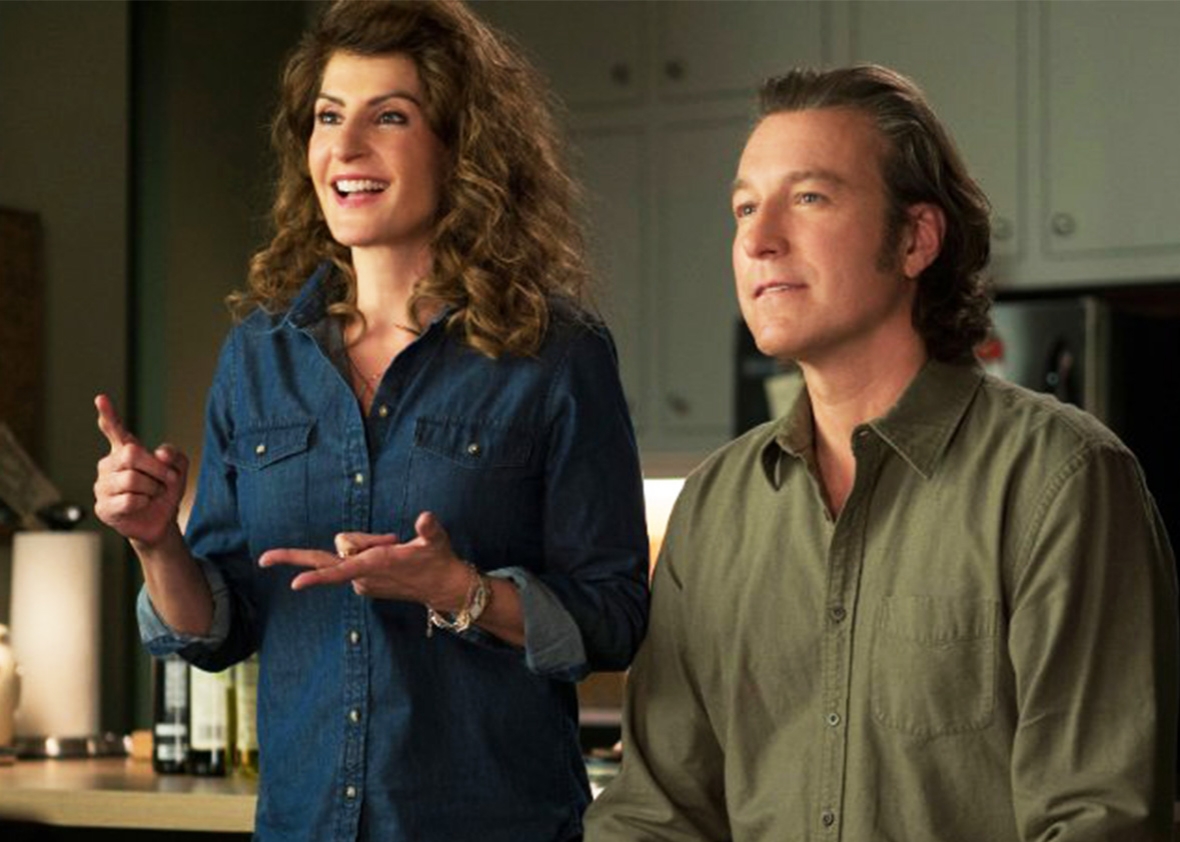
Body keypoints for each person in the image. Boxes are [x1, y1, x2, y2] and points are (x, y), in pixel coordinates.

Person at [93, 2, 649, 840]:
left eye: (389, 116)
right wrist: (155, 542)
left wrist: (459, 592)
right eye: (328, 117)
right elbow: (219, 629)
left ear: (461, 147)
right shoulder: (258, 357)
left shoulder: (555, 354)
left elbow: (614, 619)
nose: (346, 148)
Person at [585, 64, 1178, 842]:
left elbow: (1098, 820)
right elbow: (657, 814)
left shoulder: (1059, 481)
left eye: (809, 198)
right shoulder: (714, 506)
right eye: (744, 208)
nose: (759, 240)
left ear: (914, 239)